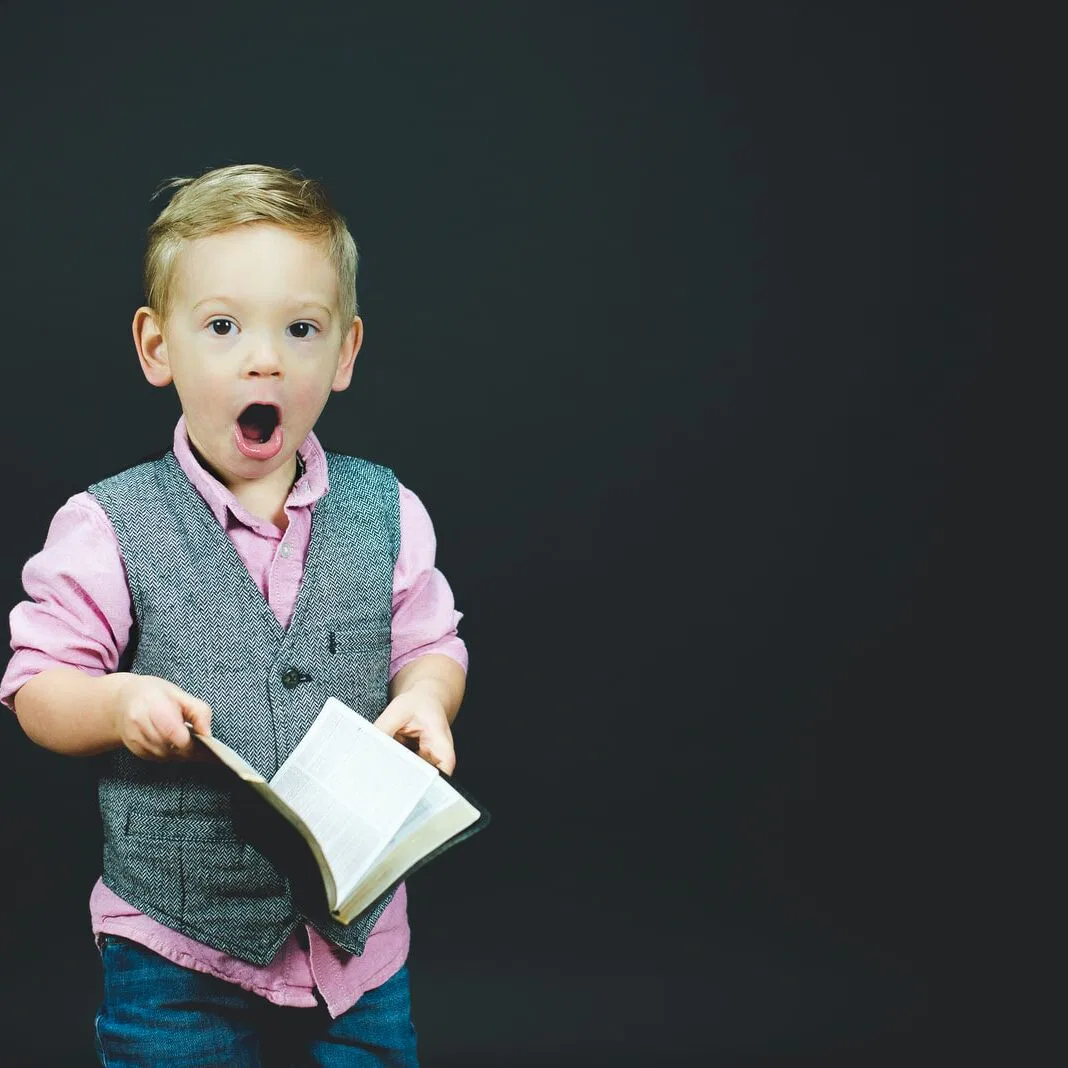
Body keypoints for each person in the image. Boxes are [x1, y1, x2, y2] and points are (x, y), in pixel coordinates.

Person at [1, 162, 467, 1066]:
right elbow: (34, 687)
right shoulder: (109, 524)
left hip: (356, 951)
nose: (266, 358)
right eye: (222, 327)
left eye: (300, 329)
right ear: (156, 347)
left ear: (344, 355)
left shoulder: (388, 510)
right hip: (177, 950)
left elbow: (432, 641)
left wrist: (428, 698)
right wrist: (114, 704)